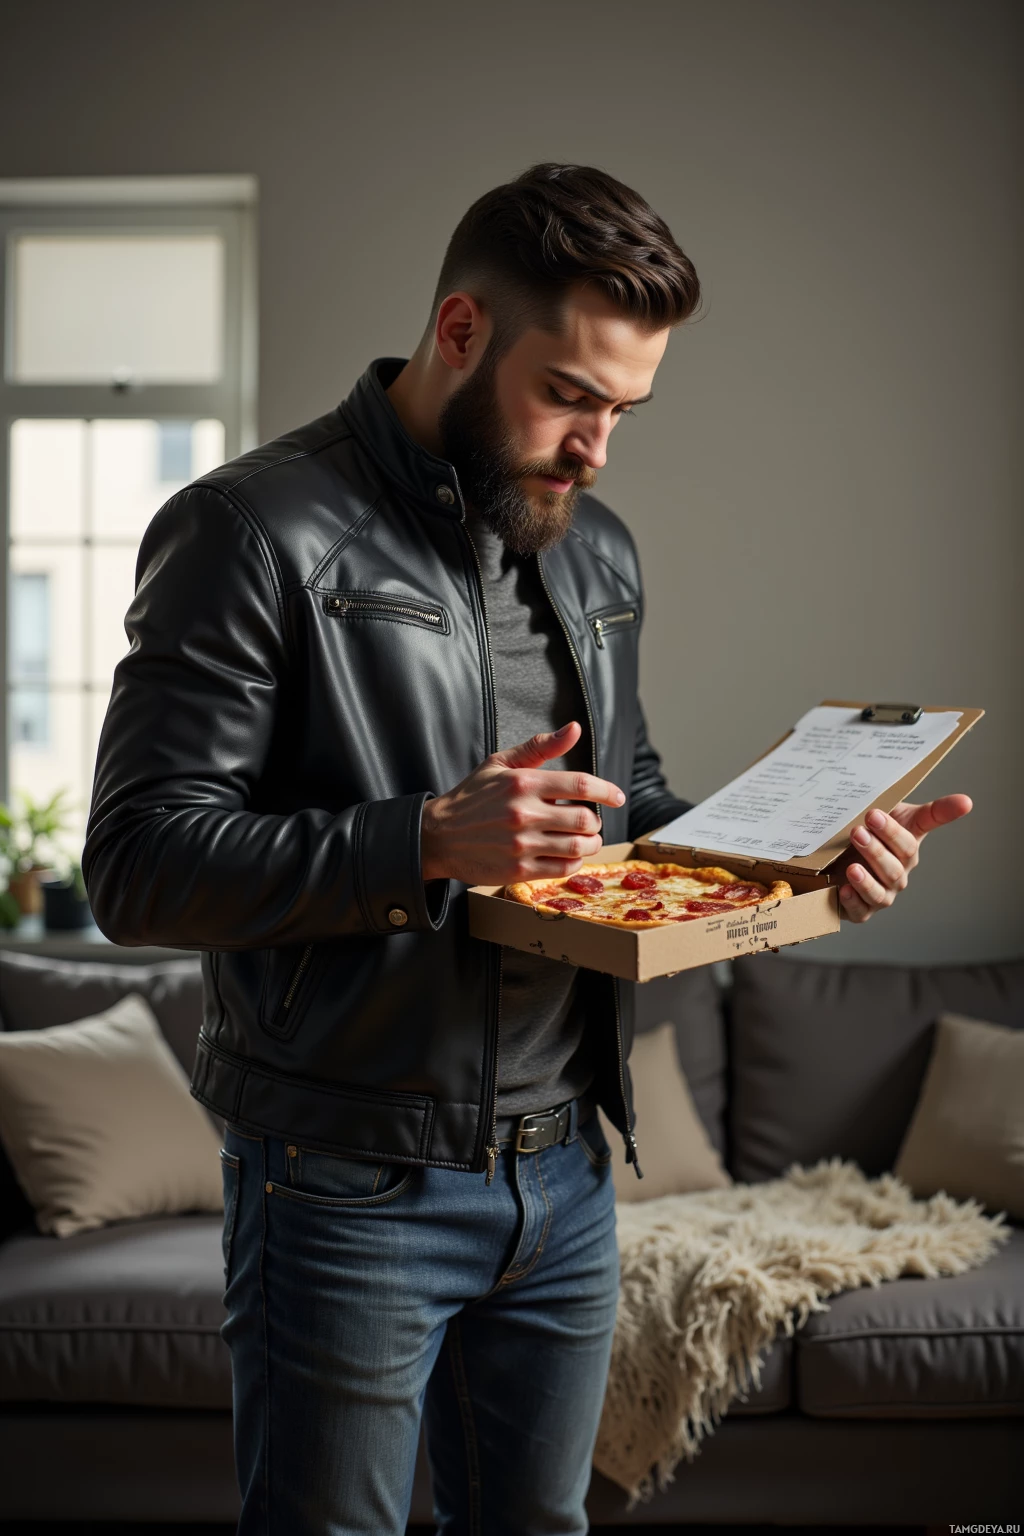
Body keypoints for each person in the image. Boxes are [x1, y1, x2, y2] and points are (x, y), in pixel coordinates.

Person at [82, 163, 972, 1536]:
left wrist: (803, 865)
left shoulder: (598, 551)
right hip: (344, 1176)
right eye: (569, 394)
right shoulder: (246, 533)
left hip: (567, 1176)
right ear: (458, 333)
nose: (596, 447)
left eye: (626, 410)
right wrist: (423, 841)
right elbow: (138, 865)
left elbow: (637, 805)